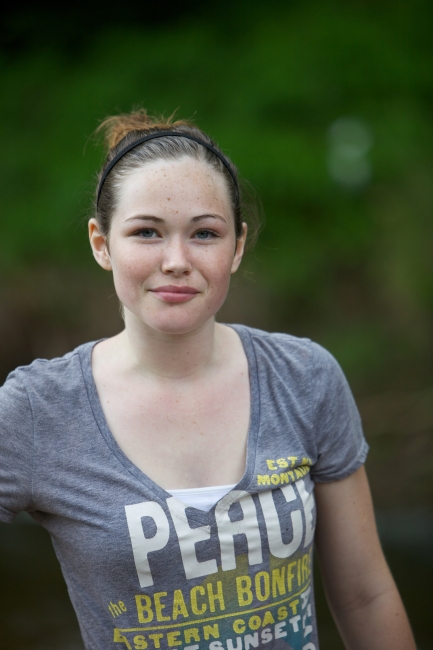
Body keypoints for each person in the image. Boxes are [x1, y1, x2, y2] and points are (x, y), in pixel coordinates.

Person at [0, 109, 416, 650]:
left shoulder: (305, 378)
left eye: (204, 233)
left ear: (236, 247)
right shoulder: (38, 410)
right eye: (146, 232)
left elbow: (366, 596)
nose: (176, 260)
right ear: (102, 244)